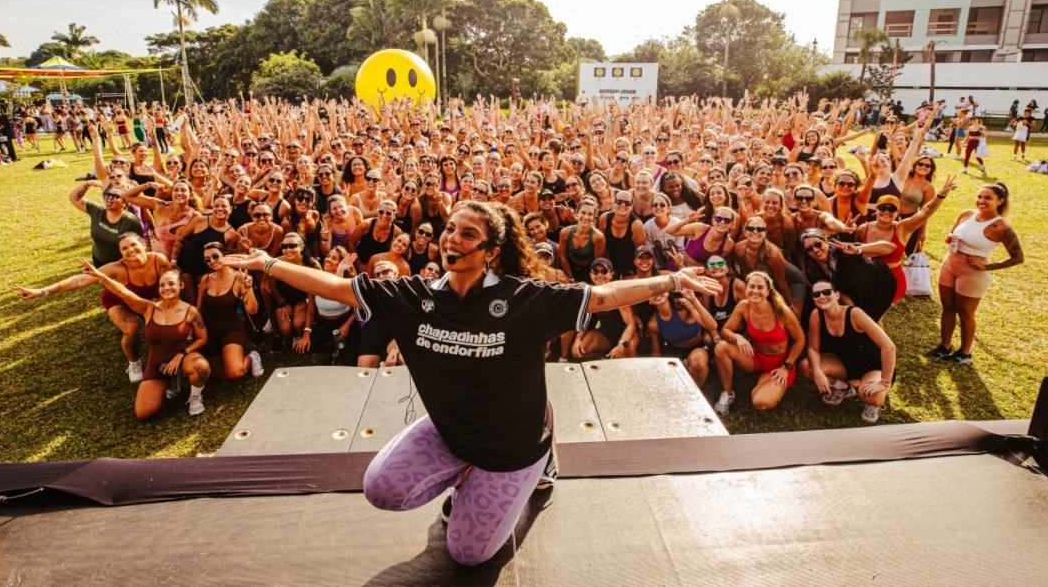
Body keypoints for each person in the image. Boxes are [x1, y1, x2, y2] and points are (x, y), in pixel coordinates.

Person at [221, 200, 720, 566]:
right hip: (450, 430)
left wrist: (674, 281)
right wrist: (268, 262)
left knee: (466, 553)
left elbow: (604, 296)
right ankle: (464, 473)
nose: (452, 241)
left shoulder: (524, 298)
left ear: (491, 251)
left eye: (467, 236)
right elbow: (335, 287)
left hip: (513, 446)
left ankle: (543, 463)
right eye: (450, 230)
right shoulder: (411, 295)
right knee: (380, 489)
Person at [11, 232, 167, 383]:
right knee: (132, 328)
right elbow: (79, 281)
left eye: (133, 244)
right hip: (118, 300)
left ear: (144, 244)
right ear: (120, 253)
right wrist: (40, 291)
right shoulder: (116, 268)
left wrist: (161, 299)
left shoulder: (158, 260)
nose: (130, 250)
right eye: (124, 248)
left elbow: (172, 280)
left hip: (146, 300)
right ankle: (134, 362)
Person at [82, 262, 211, 419]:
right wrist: (102, 276)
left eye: (171, 284)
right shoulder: (149, 308)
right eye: (162, 285)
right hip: (157, 363)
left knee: (201, 367)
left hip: (183, 358)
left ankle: (195, 397)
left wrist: (182, 354)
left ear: (181, 285)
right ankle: (170, 381)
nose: (167, 288)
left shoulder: (191, 311)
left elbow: (202, 338)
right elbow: (122, 292)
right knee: (143, 413)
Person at [929, 183, 1024, 365]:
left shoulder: (1001, 227)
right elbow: (953, 232)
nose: (981, 201)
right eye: (979, 196)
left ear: (1000, 201)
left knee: (965, 313)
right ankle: (945, 347)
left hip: (972, 273)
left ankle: (965, 353)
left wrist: (987, 267)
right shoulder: (967, 214)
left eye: (987, 198)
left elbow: (1018, 257)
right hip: (950, 264)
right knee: (947, 308)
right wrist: (950, 238)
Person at [802, 280, 897, 423]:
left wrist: (884, 382)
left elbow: (889, 347)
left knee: (871, 396)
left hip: (872, 366)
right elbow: (813, 348)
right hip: (844, 364)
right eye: (816, 294)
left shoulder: (855, 314)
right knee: (806, 367)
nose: (822, 296)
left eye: (827, 292)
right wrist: (818, 372)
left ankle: (874, 404)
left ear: (837, 295)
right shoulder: (816, 315)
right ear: (814, 300)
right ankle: (843, 388)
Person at [712, 271, 805, 415]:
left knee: (760, 403)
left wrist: (786, 367)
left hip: (780, 364)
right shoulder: (743, 306)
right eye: (752, 286)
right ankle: (727, 394)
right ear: (746, 288)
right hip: (755, 358)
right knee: (721, 347)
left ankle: (767, 382)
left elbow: (800, 340)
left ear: (768, 291)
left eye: (760, 287)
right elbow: (726, 331)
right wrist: (738, 337)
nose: (755, 291)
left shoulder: (782, 312)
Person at [197, 242, 263, 381]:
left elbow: (253, 309)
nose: (212, 262)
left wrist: (249, 288)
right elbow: (199, 309)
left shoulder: (239, 278)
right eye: (207, 259)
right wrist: (196, 331)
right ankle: (224, 356)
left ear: (225, 255)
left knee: (235, 373)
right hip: (209, 332)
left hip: (231, 329)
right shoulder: (206, 279)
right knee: (214, 375)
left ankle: (252, 357)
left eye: (215, 256)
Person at [799, 229, 897, 322]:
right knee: (864, 324)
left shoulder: (843, 250)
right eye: (809, 249)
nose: (815, 250)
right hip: (858, 296)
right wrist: (852, 311)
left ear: (826, 241)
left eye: (818, 244)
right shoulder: (813, 269)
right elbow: (839, 293)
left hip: (880, 285)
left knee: (873, 322)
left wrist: (858, 250)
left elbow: (891, 247)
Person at [647, 288, 717, 387]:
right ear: (648, 300)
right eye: (652, 294)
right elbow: (655, 350)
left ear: (667, 292)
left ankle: (694, 393)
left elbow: (712, 325)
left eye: (659, 290)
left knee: (697, 363)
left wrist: (693, 301)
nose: (657, 295)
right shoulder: (653, 324)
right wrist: (656, 370)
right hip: (674, 351)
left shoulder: (683, 306)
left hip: (697, 347)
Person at [69, 181, 144, 268]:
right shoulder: (98, 210)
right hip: (98, 260)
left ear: (124, 202)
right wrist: (86, 185)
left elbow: (141, 244)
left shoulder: (130, 220)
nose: (110, 198)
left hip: (122, 264)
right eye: (108, 194)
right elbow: (74, 198)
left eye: (116, 196)